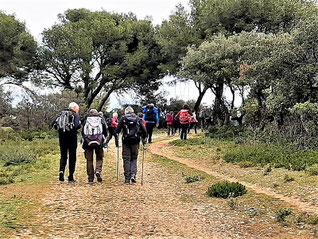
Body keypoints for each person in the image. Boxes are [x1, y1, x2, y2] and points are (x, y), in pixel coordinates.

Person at [115, 106, 147, 184]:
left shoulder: (123, 119)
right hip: (135, 141)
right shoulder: (138, 119)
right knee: (134, 158)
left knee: (126, 159)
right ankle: (133, 174)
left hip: (126, 141)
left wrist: (117, 137)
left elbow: (117, 130)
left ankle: (127, 178)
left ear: (126, 112)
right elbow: (144, 131)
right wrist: (143, 139)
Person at [52, 102, 81, 183]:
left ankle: (61, 172)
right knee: (72, 157)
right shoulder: (75, 115)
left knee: (63, 156)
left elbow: (54, 125)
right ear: (74, 108)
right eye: (77, 109)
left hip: (62, 139)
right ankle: (71, 176)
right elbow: (76, 126)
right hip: (72, 139)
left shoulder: (61, 114)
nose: (77, 111)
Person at [82, 109, 108, 184]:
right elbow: (105, 131)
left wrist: (86, 139)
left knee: (89, 160)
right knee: (99, 157)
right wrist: (103, 139)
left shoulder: (86, 120)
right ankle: (98, 171)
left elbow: (82, 132)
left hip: (88, 142)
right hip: (99, 142)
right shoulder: (101, 120)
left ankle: (90, 178)